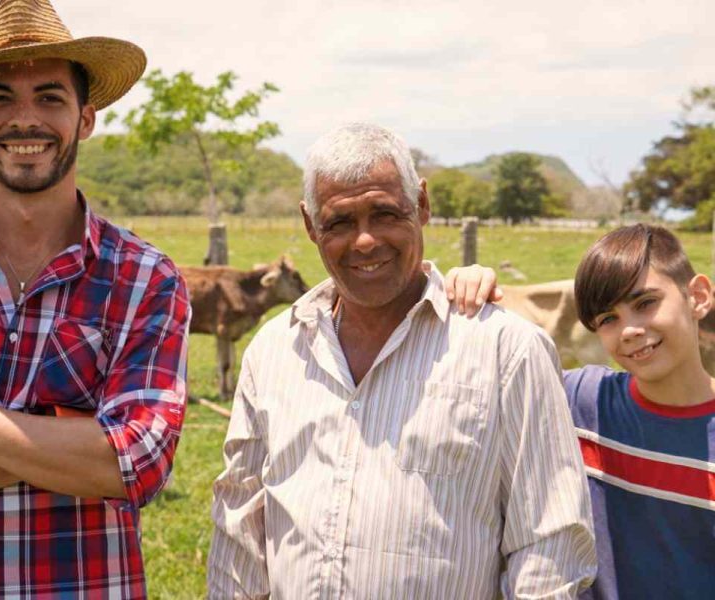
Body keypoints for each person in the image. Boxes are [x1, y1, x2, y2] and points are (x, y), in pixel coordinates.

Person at [207, 122, 596, 599]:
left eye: (386, 214)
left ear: (423, 205)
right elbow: (240, 527)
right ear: (310, 225)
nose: (365, 241)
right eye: (340, 223)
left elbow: (550, 545)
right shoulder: (273, 352)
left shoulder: (505, 350)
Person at [0, 0, 189, 597]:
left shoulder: (146, 279)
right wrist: (67, 442)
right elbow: (106, 461)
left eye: (49, 97)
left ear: (85, 119)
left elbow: (137, 462)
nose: (25, 120)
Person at [447, 224, 715, 599]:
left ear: (698, 296)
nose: (630, 330)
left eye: (645, 303)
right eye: (608, 319)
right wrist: (467, 288)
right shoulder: (580, 400)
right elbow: (479, 383)